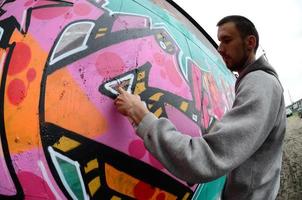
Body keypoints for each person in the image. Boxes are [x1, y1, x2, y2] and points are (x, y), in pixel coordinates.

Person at [114, 15, 286, 200]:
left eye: (227, 40)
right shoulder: (256, 83)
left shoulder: (260, 83)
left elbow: (203, 159)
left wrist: (140, 115)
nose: (220, 49)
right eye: (219, 42)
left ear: (250, 42)